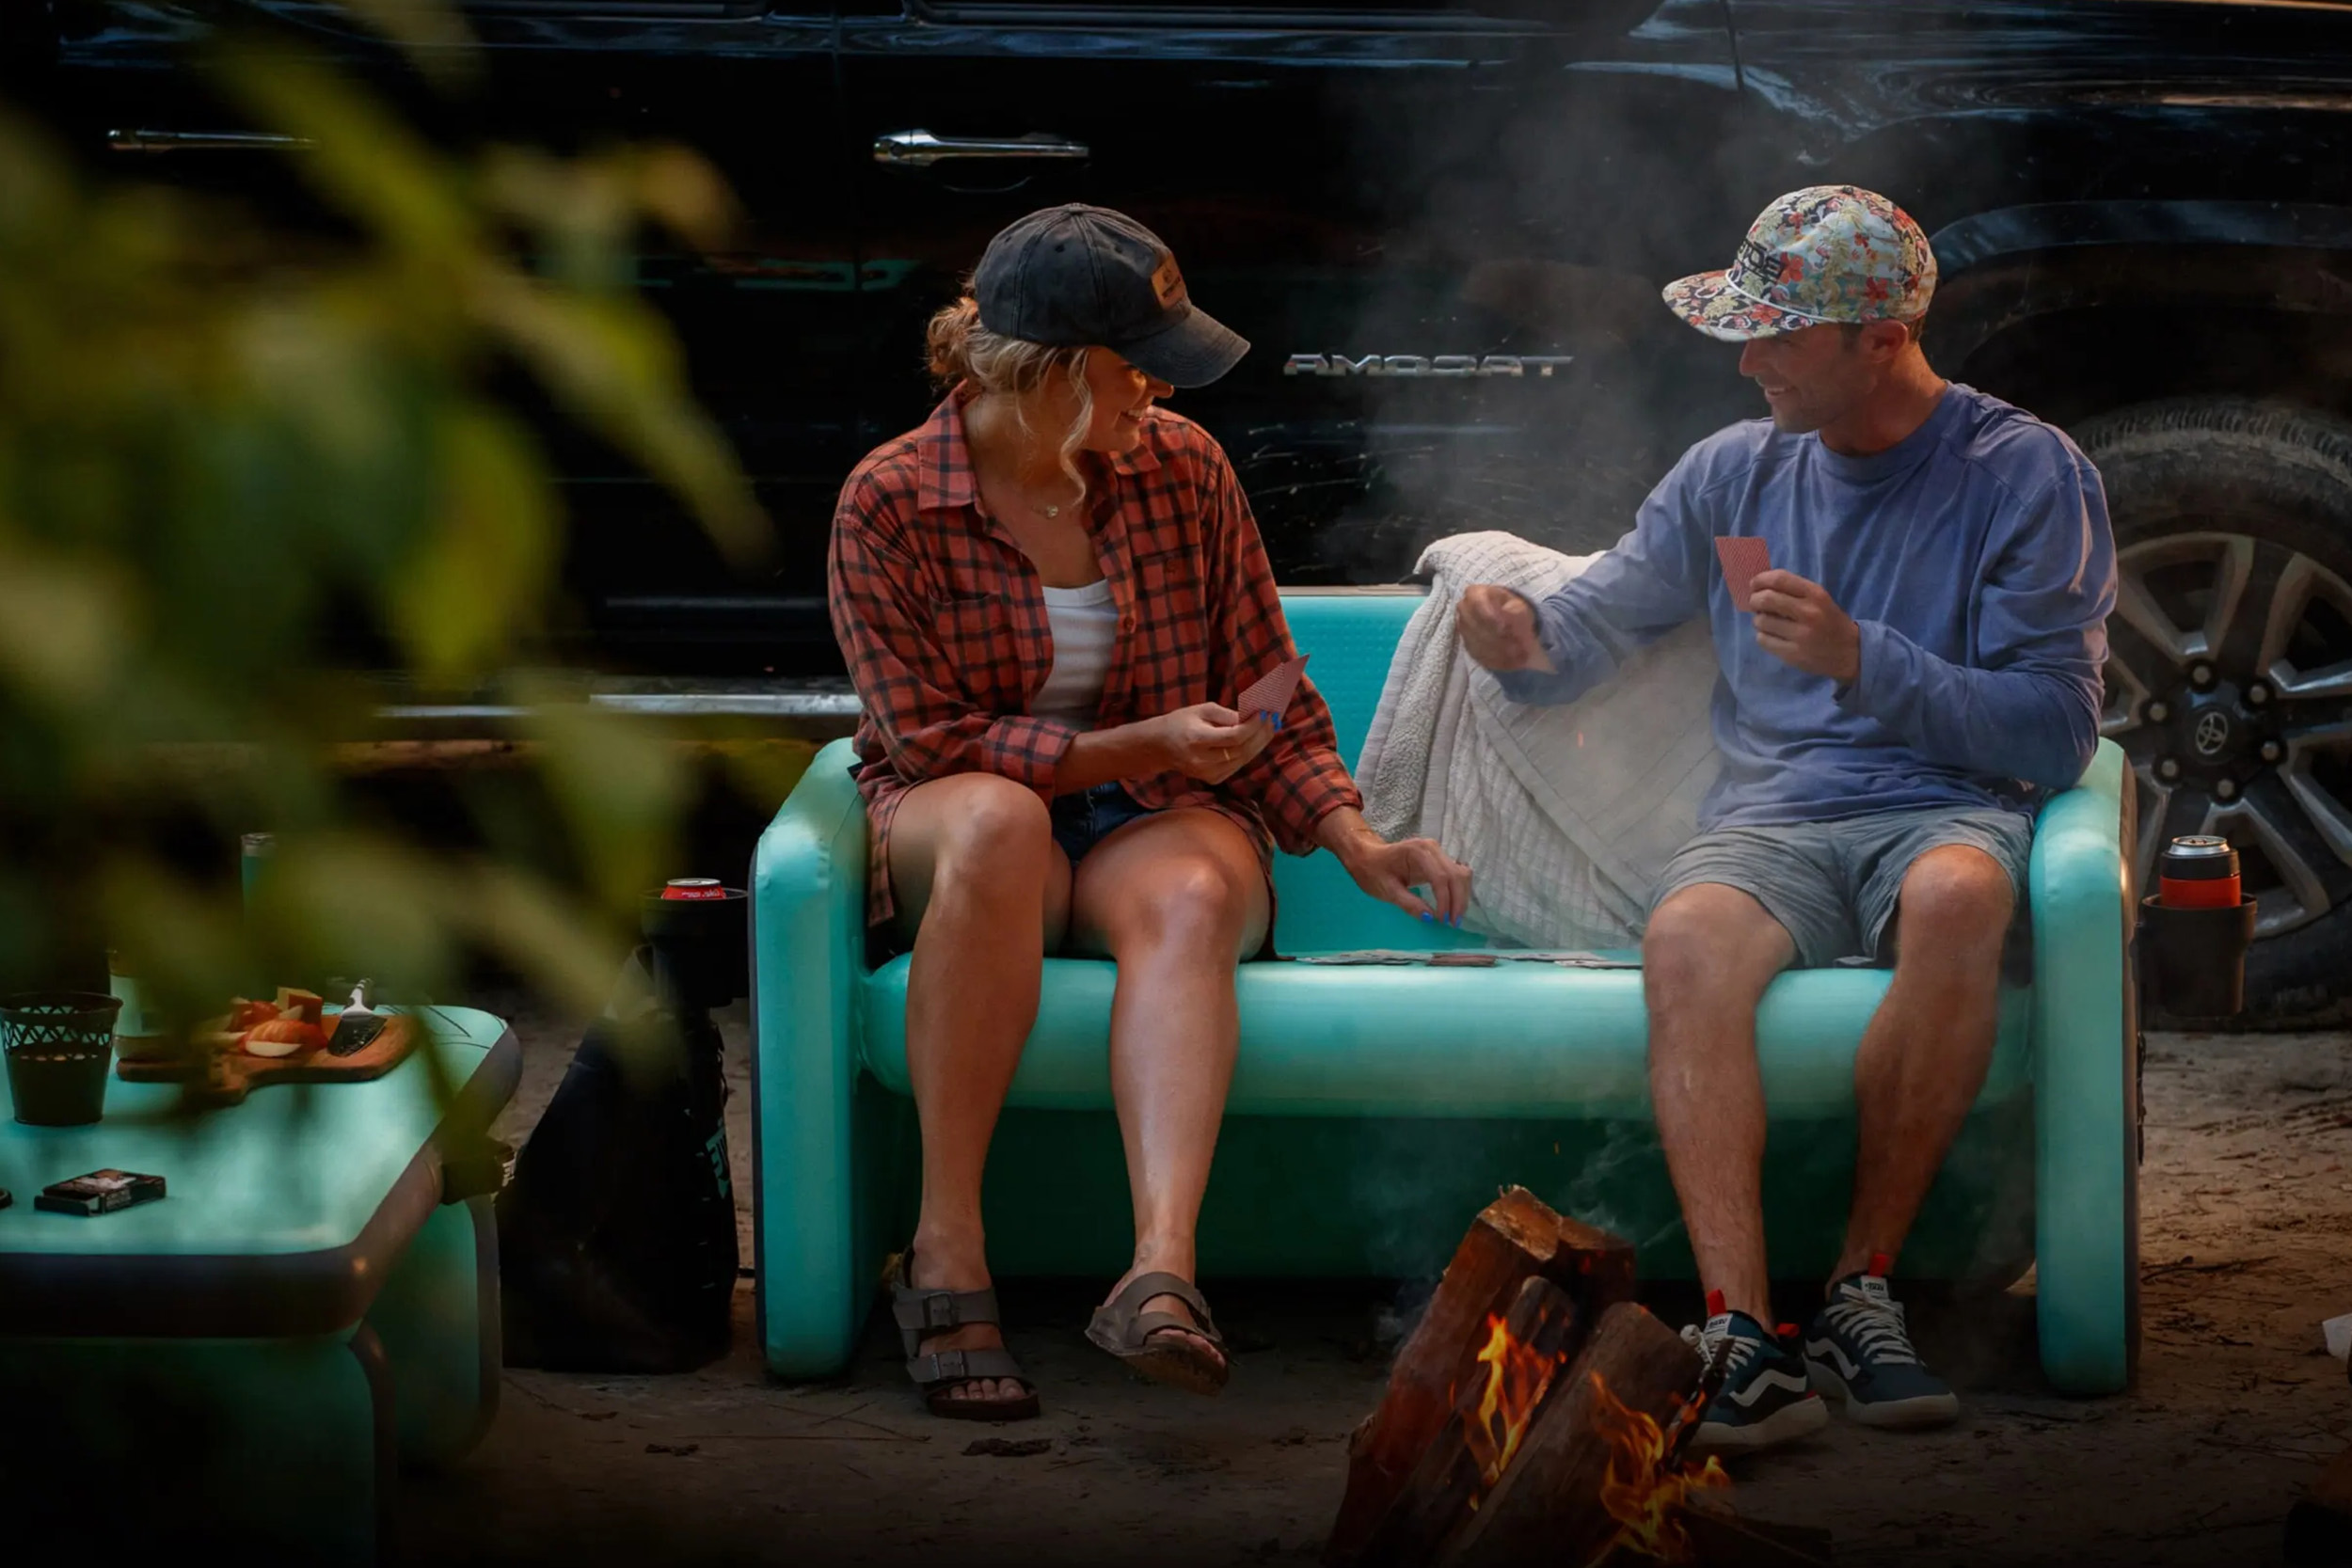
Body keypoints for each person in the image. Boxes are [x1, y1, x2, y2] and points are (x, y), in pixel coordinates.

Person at [1456, 186, 2116, 1451]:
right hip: (1769, 818)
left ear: (1883, 339)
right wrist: (1515, 637)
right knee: (1687, 940)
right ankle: (1742, 1334)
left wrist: (1867, 659)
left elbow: (2054, 729)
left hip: (1943, 808)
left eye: (1778, 334)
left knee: (1962, 894)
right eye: (1742, 328)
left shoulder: (2025, 472)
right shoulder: (1735, 471)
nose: (1746, 358)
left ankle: (1862, 1293)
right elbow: (1595, 622)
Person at [830, 204, 1470, 1422]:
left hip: (1147, 822)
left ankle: (1161, 1270)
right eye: (1140, 370)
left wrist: (1356, 837)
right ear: (1056, 373)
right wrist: (1143, 739)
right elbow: (929, 740)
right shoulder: (890, 501)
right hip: (958, 817)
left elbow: (1268, 684)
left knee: (1191, 889)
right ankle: (946, 1249)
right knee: (999, 822)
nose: (1160, 399)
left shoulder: (1182, 468)